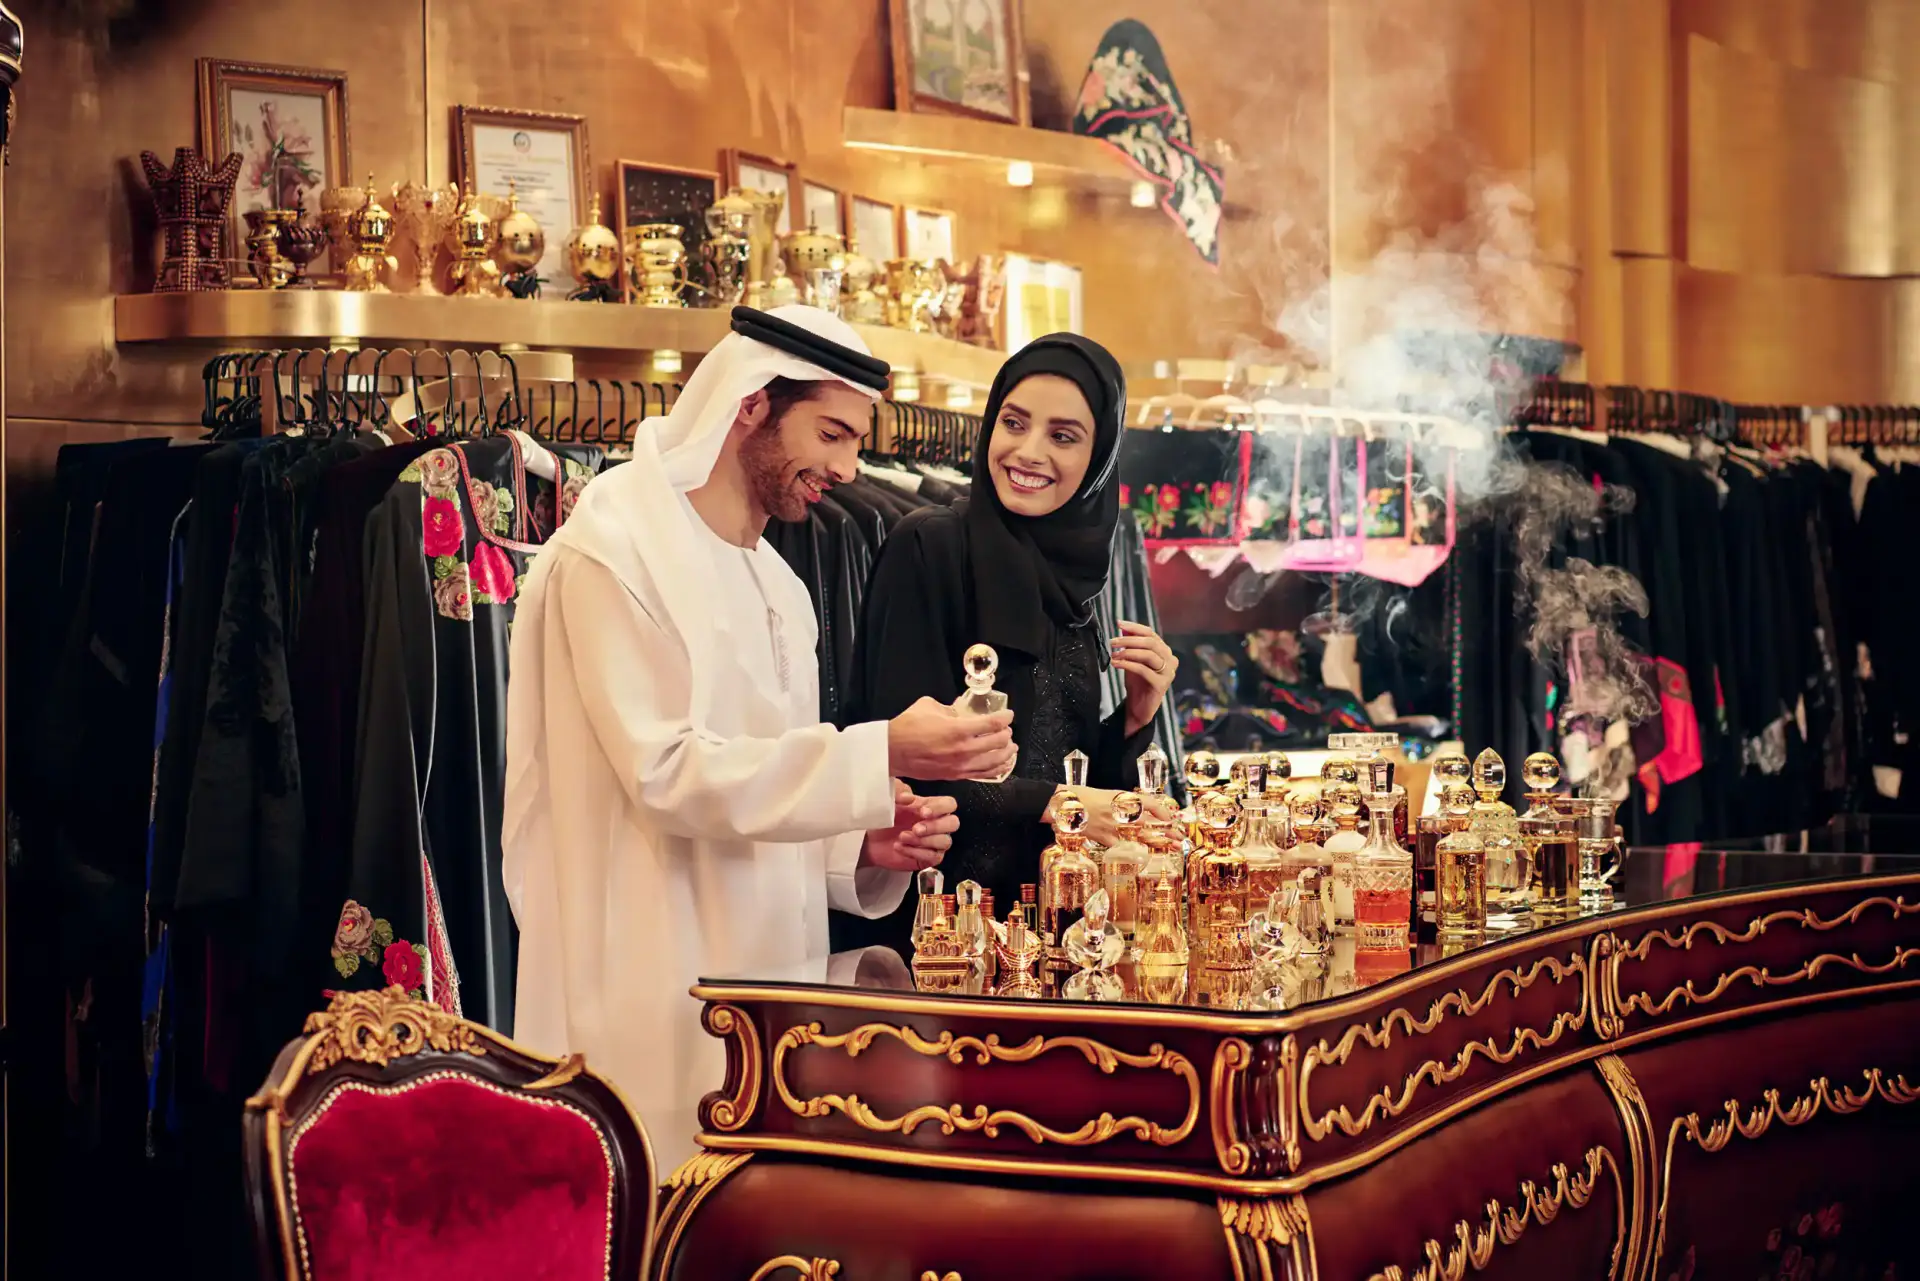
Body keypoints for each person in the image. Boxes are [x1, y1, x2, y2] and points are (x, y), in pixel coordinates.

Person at [502, 305, 1015, 1164]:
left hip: (774, 1000)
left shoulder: (779, 582)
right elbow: (665, 773)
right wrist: (879, 748)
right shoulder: (614, 550)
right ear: (750, 405)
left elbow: (763, 786)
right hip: (645, 983)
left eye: (858, 442)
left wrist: (861, 844)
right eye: (832, 433)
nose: (849, 468)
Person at [837, 333, 1181, 947]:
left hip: (1050, 931)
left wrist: (1135, 713)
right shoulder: (930, 547)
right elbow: (900, 761)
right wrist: (1061, 803)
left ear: (1101, 455)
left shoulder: (1075, 576)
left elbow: (1069, 767)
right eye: (1013, 422)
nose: (1027, 451)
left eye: (1063, 436)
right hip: (939, 929)